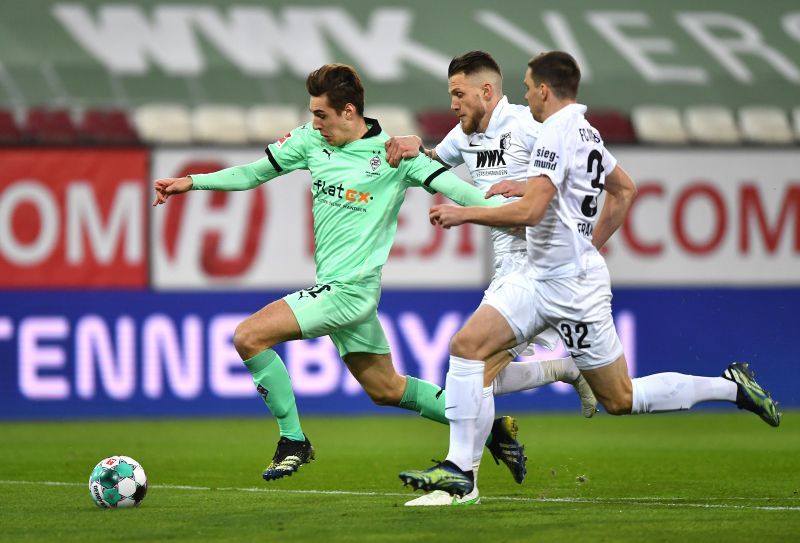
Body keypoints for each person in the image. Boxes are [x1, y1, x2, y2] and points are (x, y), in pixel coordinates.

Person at [151, 63, 580, 490]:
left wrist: (528, 213)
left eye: (322, 115)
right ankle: (491, 430)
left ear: (349, 111)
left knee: (248, 336)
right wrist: (192, 182)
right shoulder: (307, 142)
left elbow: (466, 194)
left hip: (350, 292)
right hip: (340, 293)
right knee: (388, 389)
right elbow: (251, 173)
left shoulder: (395, 158)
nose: (314, 123)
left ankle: (293, 440)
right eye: (312, 113)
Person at [399, 51, 781, 498]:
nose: (524, 94)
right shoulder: (583, 130)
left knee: (619, 399)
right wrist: (583, 241)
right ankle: (460, 474)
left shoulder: (545, 132)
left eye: (527, 86)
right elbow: (622, 189)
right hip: (537, 277)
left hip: (572, 288)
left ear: (543, 90)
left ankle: (729, 387)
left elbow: (532, 211)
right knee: (468, 351)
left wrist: (468, 215)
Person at [384, 51, 597, 507]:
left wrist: (527, 194)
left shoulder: (527, 126)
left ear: (487, 91)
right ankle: (563, 369)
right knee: (476, 378)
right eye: (450, 95)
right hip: (506, 268)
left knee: (469, 367)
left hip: (538, 267)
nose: (453, 104)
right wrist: (410, 144)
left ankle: (462, 481)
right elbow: (427, 162)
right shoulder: (464, 135)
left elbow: (576, 168)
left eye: (459, 94)